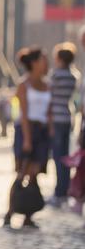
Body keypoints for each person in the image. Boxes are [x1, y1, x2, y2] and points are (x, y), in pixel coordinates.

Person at [4, 47, 51, 228]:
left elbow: (48, 111)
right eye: (43, 59)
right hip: (26, 129)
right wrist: (27, 139)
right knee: (22, 172)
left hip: (42, 131)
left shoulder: (47, 84)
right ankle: (10, 211)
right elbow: (23, 113)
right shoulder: (23, 84)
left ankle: (28, 214)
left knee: (35, 173)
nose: (46, 63)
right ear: (34, 62)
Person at [47, 42, 79, 207]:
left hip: (56, 118)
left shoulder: (56, 75)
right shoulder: (73, 76)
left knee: (58, 156)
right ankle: (65, 189)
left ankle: (59, 192)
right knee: (65, 156)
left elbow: (49, 98)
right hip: (68, 117)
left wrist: (49, 122)